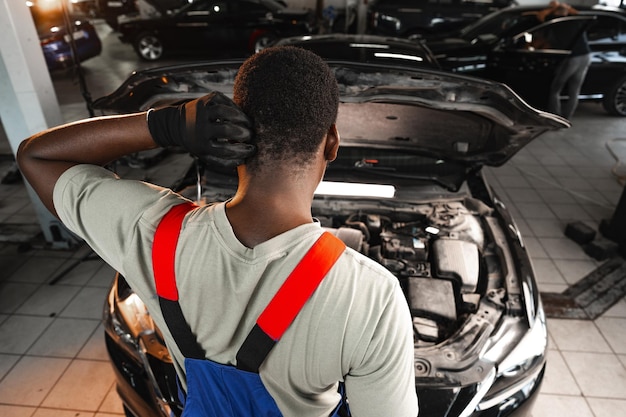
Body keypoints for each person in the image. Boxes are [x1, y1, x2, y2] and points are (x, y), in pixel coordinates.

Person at [17, 46, 418, 417]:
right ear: (332, 142)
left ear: (231, 131)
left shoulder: (154, 231)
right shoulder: (372, 298)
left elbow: (37, 155)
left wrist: (164, 125)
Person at [536, 1, 592, 119]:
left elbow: (540, 16)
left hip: (573, 58)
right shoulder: (575, 20)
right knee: (574, 91)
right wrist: (566, 7)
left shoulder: (556, 22)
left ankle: (556, 118)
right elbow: (577, 13)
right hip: (586, 56)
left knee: (555, 89)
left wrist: (553, 8)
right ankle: (567, 118)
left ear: (556, 12)